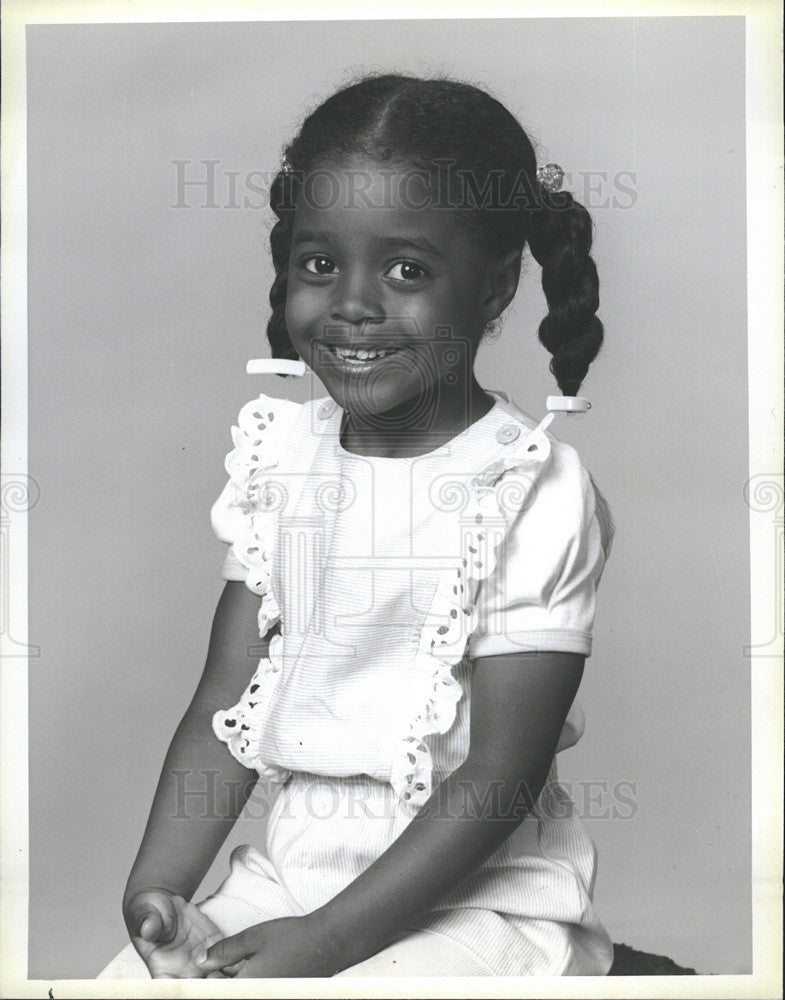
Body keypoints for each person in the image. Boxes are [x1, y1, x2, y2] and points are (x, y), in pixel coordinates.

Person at [98, 73, 616, 979]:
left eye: (407, 270)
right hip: (293, 878)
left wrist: (334, 942)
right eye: (318, 263)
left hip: (477, 898)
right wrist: (160, 889)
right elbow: (225, 708)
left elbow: (500, 774)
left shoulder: (531, 488)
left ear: (495, 286)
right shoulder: (280, 460)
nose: (352, 305)